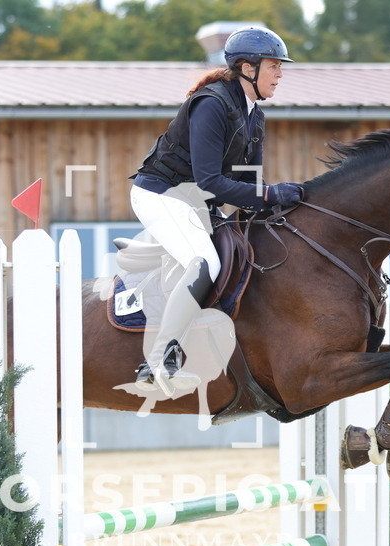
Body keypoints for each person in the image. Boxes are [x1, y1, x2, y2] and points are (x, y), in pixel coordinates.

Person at [128, 25, 304, 397]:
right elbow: (211, 181)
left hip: (196, 201)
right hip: (163, 193)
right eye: (273, 66)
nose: (280, 74)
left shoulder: (254, 115)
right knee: (205, 261)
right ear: (247, 67)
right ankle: (160, 358)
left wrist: (273, 204)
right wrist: (272, 194)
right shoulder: (212, 104)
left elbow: (248, 183)